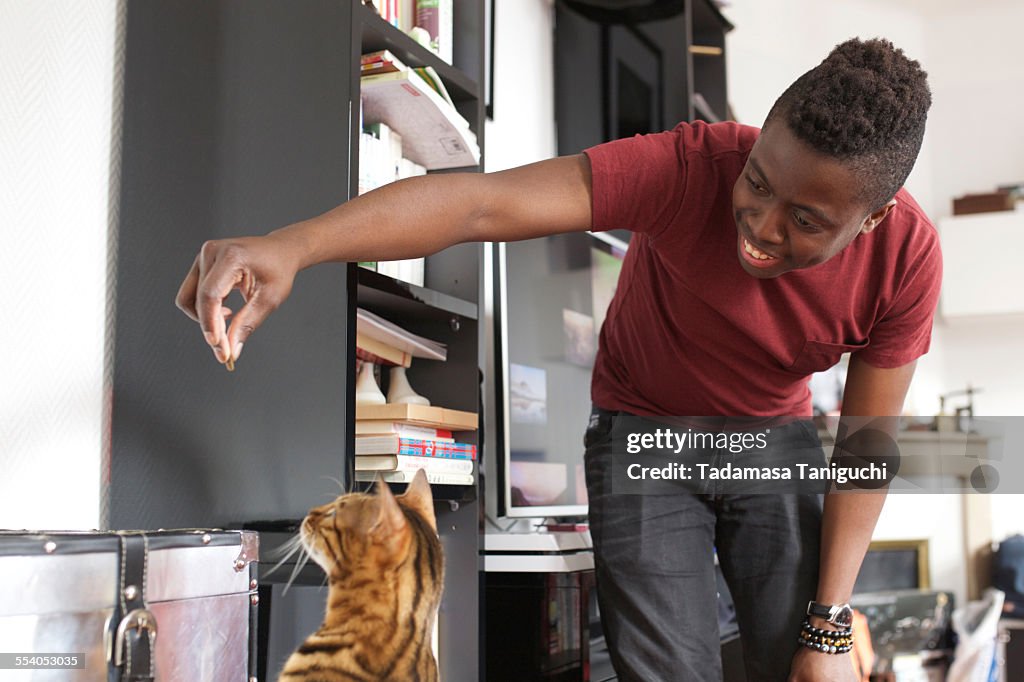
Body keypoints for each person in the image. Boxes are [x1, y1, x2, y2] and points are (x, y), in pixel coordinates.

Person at [177, 38, 939, 681]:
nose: (760, 227)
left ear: (872, 219)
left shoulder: (906, 258)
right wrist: (294, 245)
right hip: (645, 432)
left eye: (805, 220)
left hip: (772, 440)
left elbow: (867, 441)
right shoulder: (688, 168)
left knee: (807, 661)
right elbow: (480, 204)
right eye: (758, 183)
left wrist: (830, 623)